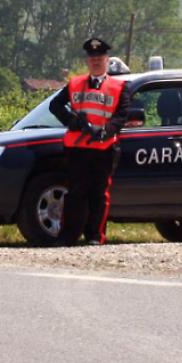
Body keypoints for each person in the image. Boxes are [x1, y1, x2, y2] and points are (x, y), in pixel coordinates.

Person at [49, 37, 129, 245]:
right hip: (77, 148)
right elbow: (55, 106)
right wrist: (73, 122)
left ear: (107, 60)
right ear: (87, 61)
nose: (96, 61)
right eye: (92, 58)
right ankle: (68, 236)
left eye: (100, 58)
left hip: (104, 148)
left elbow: (121, 116)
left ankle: (94, 236)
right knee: (75, 194)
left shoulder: (120, 87)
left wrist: (104, 131)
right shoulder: (75, 83)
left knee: (99, 194)